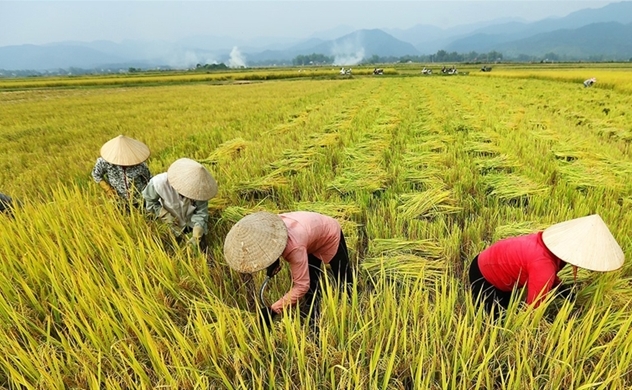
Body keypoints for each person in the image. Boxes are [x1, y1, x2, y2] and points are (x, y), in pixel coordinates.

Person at [469, 214, 624, 317]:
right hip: (483, 276)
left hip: (494, 264)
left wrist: (561, 289)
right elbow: (533, 310)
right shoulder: (543, 267)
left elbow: (546, 274)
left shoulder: (546, 246)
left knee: (509, 305)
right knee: (496, 320)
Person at [223, 211, 354, 328]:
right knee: (312, 281)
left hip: (329, 232)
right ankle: (314, 315)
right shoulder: (271, 227)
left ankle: (350, 304)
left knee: (342, 274)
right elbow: (270, 245)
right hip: (309, 235)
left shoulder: (294, 248)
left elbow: (301, 286)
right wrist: (272, 262)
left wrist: (274, 310)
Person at [142, 158, 217, 250]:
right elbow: (149, 202)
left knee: (199, 248)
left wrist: (198, 231)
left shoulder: (201, 189)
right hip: (170, 222)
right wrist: (164, 214)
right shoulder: (159, 183)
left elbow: (201, 212)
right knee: (176, 248)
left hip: (190, 221)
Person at [91, 135, 151, 206]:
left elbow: (148, 179)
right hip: (118, 200)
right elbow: (96, 174)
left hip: (139, 199)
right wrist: (108, 189)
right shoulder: (104, 162)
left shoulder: (139, 164)